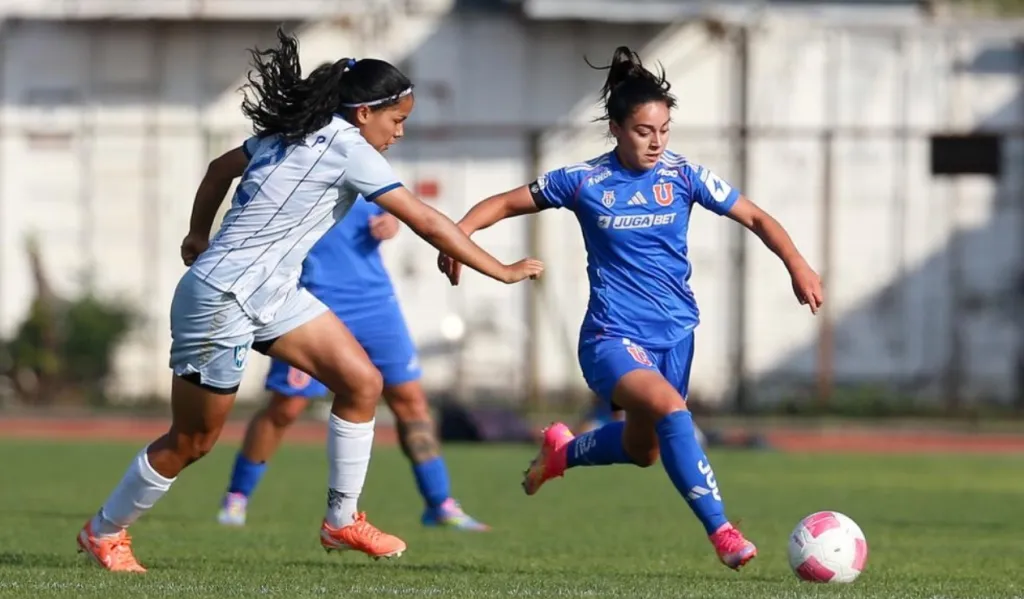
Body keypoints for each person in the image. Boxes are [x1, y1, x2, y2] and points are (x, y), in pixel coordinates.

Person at [76, 28, 541, 573]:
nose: (399, 133)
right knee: (193, 440)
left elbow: (217, 170)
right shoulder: (348, 148)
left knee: (363, 382)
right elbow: (427, 220)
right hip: (222, 298)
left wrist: (198, 235)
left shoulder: (291, 133)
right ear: (364, 113)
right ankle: (104, 532)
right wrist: (502, 270)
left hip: (271, 292)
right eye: (397, 120)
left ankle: (341, 520)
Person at [438, 46, 822, 570]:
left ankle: (562, 453)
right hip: (610, 339)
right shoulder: (584, 181)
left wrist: (796, 263)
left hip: (676, 335)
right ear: (616, 128)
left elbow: (755, 217)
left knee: (646, 451)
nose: (657, 141)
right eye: (644, 131)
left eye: (664, 129)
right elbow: (504, 202)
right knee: (671, 410)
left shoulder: (682, 175)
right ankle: (724, 532)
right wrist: (458, 235)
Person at [216, 195, 488, 532]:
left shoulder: (366, 163)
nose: (396, 137)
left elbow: (395, 205)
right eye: (391, 135)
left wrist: (392, 221)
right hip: (310, 303)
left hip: (375, 305)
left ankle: (440, 503)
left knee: (412, 402)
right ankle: (237, 496)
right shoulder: (300, 163)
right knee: (286, 405)